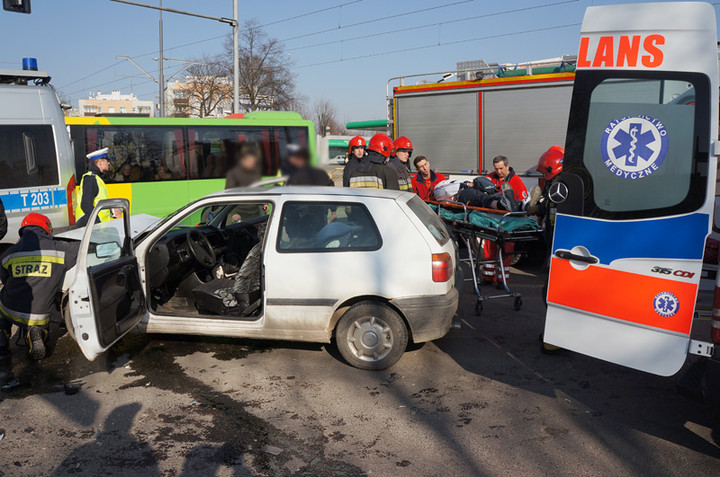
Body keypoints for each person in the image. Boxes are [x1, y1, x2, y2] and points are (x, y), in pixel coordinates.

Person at [0, 213, 79, 389]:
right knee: (46, 303)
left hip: (10, 310)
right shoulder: (61, 249)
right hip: (41, 313)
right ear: (46, 228)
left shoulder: (10, 252)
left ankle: (2, 345)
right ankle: (37, 332)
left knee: (3, 305)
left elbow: (4, 278)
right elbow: (81, 251)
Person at [482, 155, 529, 287]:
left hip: (507, 222)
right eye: (496, 169)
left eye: (501, 168)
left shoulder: (516, 181)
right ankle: (488, 277)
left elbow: (522, 202)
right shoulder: (490, 178)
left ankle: (503, 280)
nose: (498, 172)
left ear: (507, 167)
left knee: (506, 251)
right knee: (489, 250)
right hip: (491, 219)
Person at [75, 147, 119, 227]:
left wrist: (112, 212)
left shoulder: (96, 178)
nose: (108, 163)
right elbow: (86, 205)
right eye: (107, 160)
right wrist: (97, 225)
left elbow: (97, 203)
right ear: (100, 163)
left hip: (92, 226)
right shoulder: (91, 178)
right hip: (88, 226)